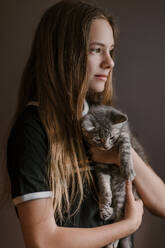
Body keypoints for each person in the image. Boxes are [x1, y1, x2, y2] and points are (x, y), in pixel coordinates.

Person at [6, 1, 165, 248]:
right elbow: (43, 241)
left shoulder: (103, 119)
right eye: (96, 50)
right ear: (64, 54)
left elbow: (163, 203)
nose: (110, 62)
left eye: (111, 50)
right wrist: (128, 226)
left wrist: (123, 156)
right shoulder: (33, 131)